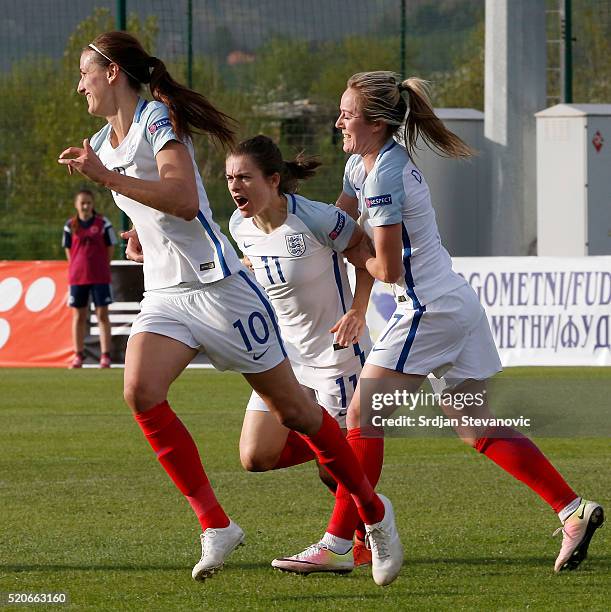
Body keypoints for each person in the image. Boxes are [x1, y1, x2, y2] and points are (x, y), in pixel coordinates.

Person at [57, 32, 402, 586]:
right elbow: (158, 207)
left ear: (113, 72)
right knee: (140, 391)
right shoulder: (103, 140)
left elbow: (185, 199)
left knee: (298, 414)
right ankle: (215, 525)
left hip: (219, 290)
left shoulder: (155, 120)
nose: (79, 85)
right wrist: (141, 235)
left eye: (83, 73)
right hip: (167, 293)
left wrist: (104, 177)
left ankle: (374, 513)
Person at [277, 71, 604, 574]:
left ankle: (342, 544)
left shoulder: (385, 173)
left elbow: (385, 266)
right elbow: (339, 227)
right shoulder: (360, 165)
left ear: (378, 121)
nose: (339, 120)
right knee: (475, 428)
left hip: (427, 309)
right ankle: (572, 509)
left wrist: (357, 260)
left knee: (363, 416)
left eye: (348, 112)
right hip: (452, 302)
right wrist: (282, 218)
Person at [227, 135, 375, 571]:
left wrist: (357, 312)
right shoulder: (240, 226)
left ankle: (357, 533)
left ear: (273, 180)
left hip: (336, 357)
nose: (235, 187)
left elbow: (363, 253)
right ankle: (336, 450)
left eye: (245, 177)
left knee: (336, 475)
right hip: (284, 359)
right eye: (229, 178)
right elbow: (257, 266)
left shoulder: (317, 218)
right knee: (256, 457)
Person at [62, 188, 116, 368]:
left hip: (100, 276)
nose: (85, 206)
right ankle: (78, 355)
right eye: (82, 203)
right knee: (79, 316)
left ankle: (105, 355)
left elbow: (110, 247)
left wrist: (101, 265)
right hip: (78, 277)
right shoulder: (70, 225)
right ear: (76, 205)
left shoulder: (103, 224)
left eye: (89, 203)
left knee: (102, 315)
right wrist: (77, 266)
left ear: (93, 205)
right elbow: (69, 250)